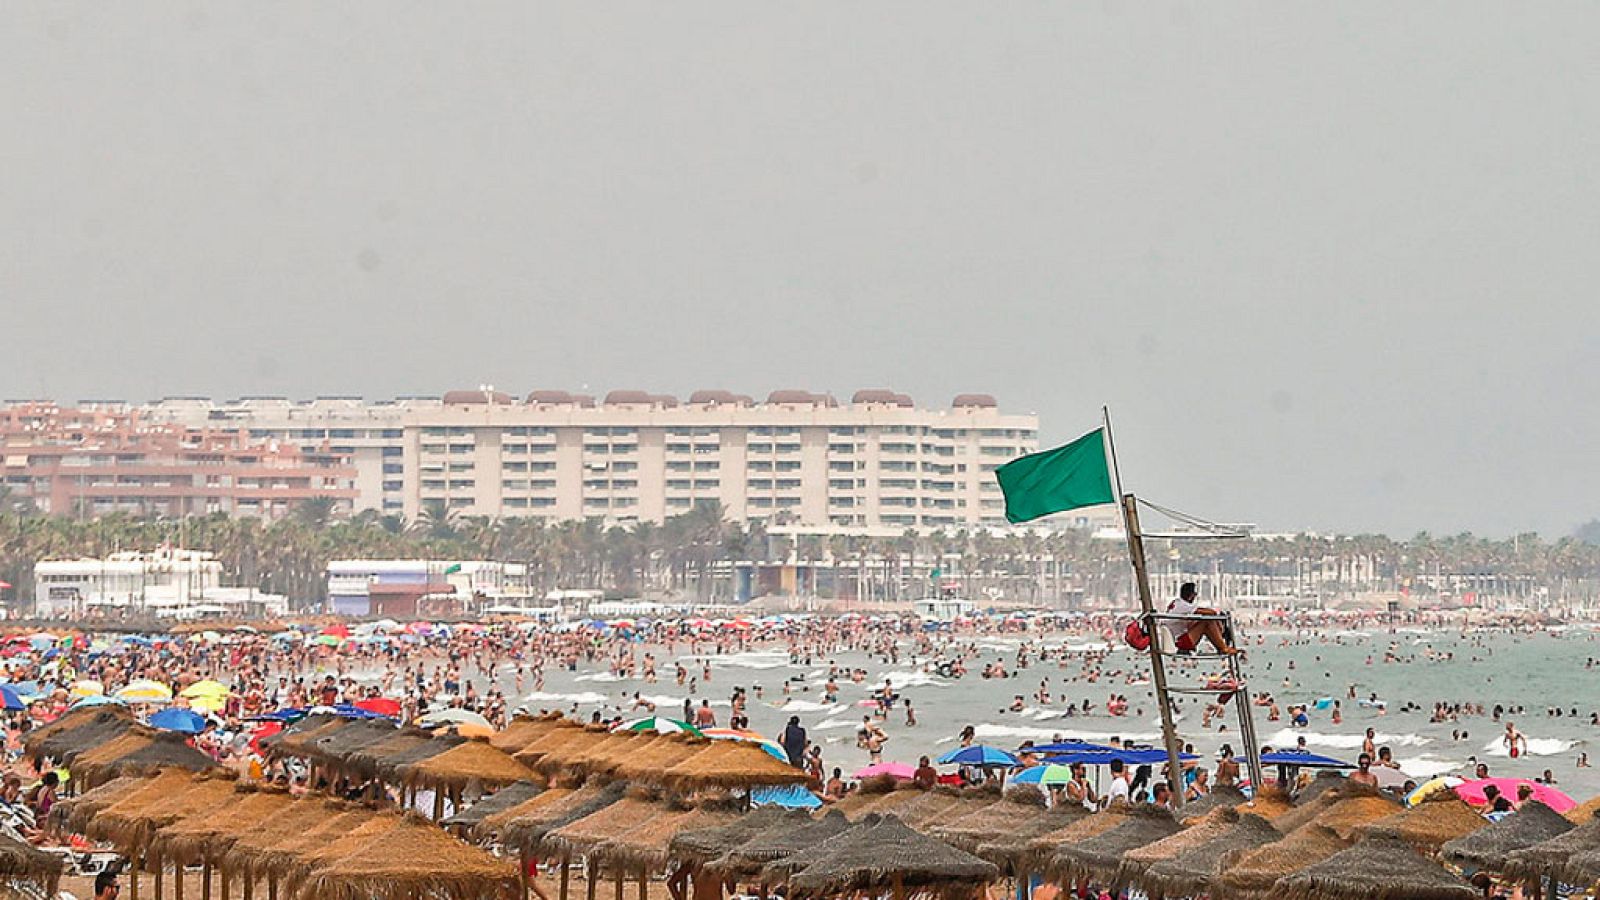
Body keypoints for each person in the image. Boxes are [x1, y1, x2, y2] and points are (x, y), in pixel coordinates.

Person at [1164, 582, 1238, 655]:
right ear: (1191, 595)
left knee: (1205, 622)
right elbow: (1210, 612)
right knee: (1207, 621)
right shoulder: (1184, 605)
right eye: (1195, 594)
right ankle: (1223, 647)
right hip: (1179, 642)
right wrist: (1218, 621)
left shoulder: (1177, 603)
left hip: (1176, 639)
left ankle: (1221, 645)